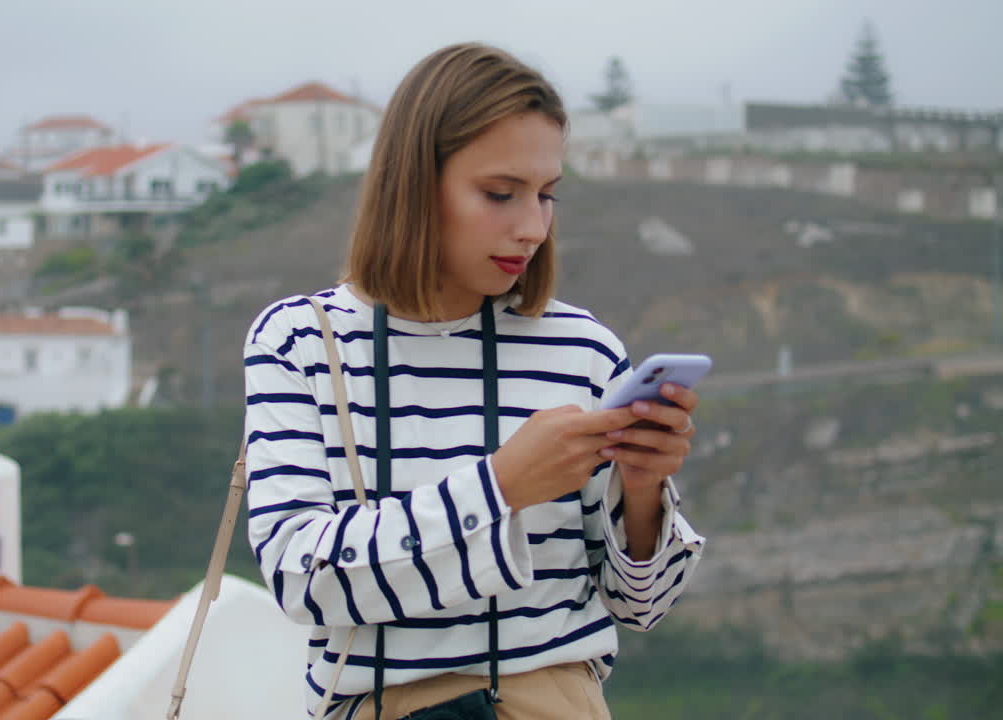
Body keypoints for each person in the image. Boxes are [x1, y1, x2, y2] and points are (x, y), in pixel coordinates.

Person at [242, 42, 706, 720]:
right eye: (499, 194)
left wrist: (642, 493)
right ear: (413, 183)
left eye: (546, 195)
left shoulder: (582, 349)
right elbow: (300, 577)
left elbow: (641, 605)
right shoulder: (300, 341)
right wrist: (500, 488)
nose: (532, 228)